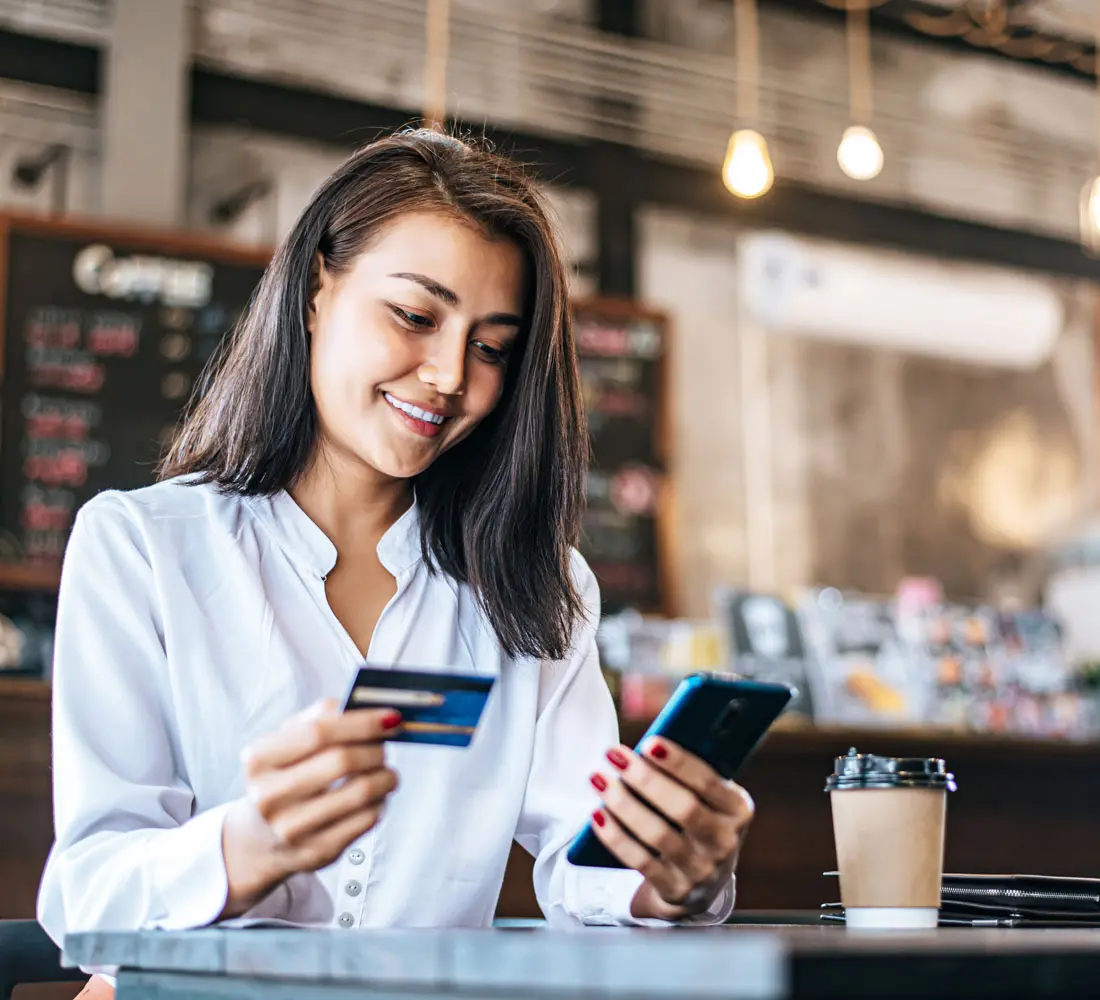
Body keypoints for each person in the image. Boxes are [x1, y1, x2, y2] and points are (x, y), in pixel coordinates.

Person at [37, 129, 755, 999]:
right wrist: (245, 847)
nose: (449, 375)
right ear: (316, 290)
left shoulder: (536, 586)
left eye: (491, 347)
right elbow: (86, 893)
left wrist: (670, 878)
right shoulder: (144, 547)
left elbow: (583, 863)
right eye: (415, 316)